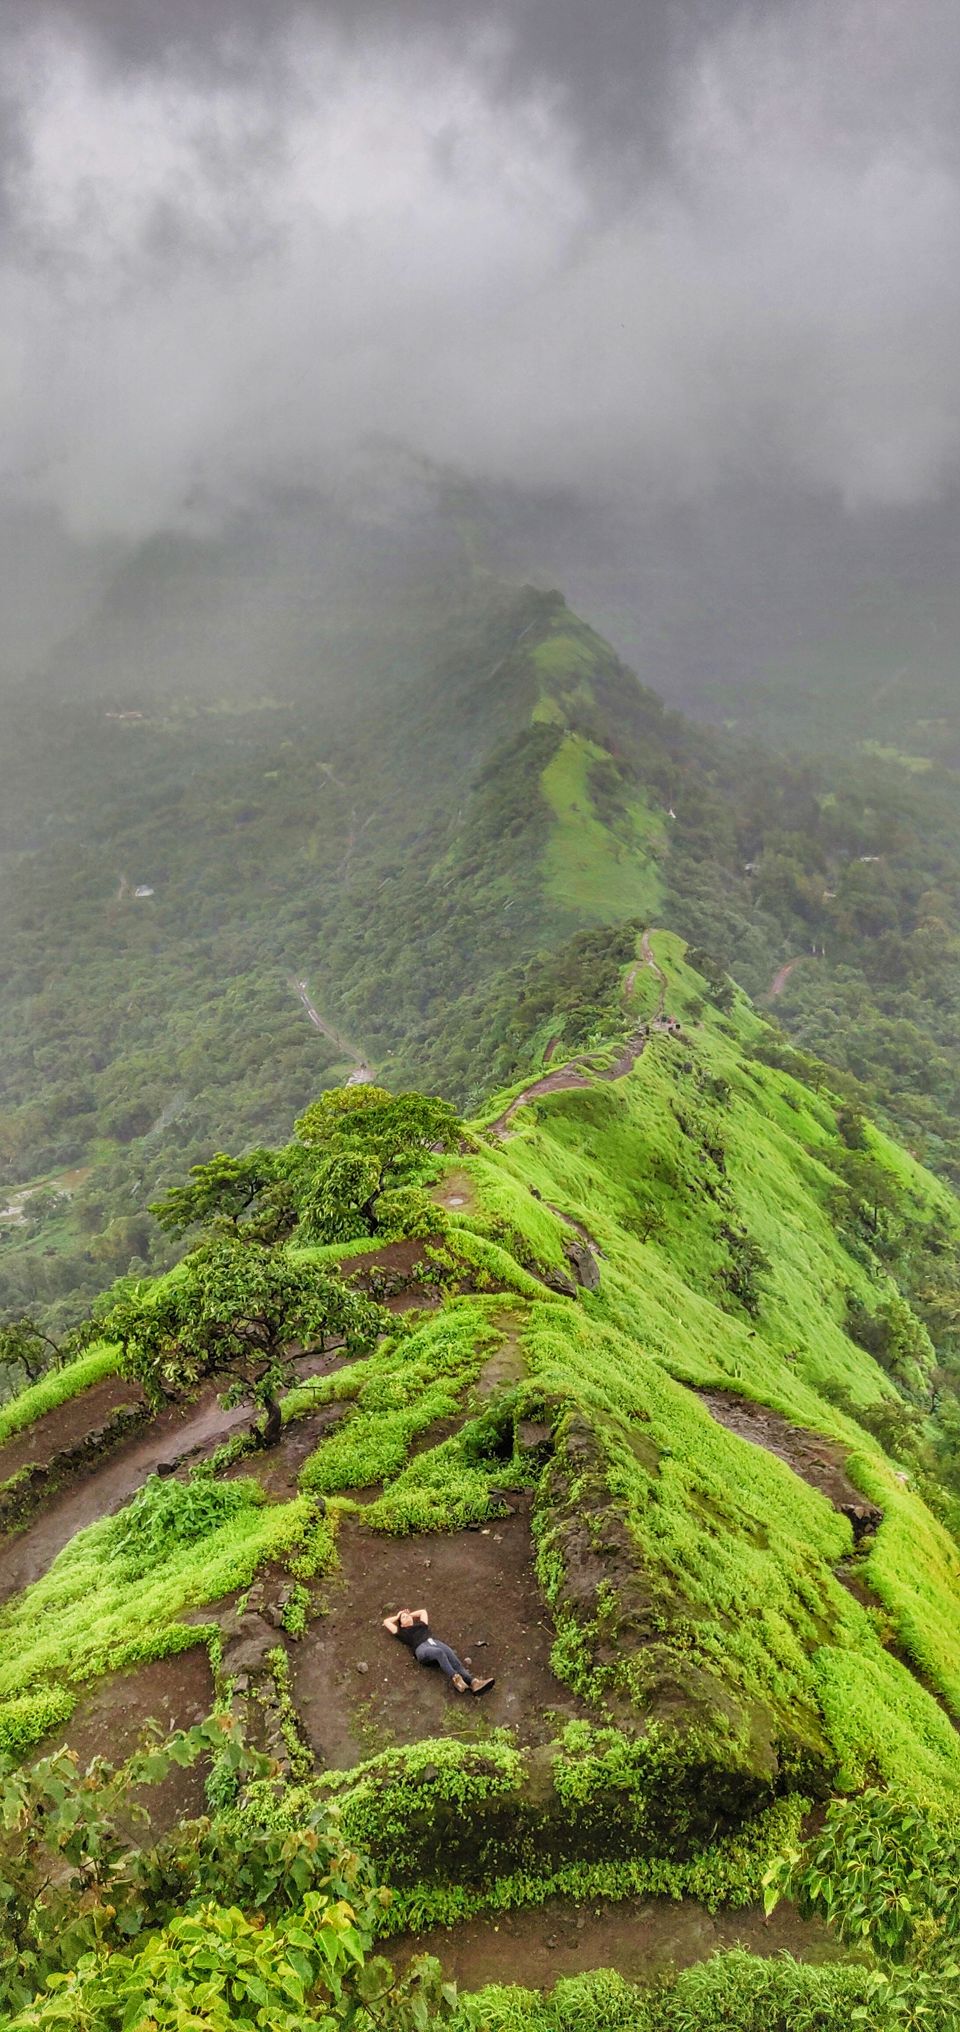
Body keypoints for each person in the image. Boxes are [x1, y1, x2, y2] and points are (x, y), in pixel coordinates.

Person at [382, 1606, 495, 1695]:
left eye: (407, 1616)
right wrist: (398, 1616)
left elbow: (423, 1612)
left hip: (434, 1643)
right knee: (439, 1653)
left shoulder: (421, 1625)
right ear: (401, 1624)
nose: (406, 1617)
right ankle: (455, 1678)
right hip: (421, 1649)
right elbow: (387, 1622)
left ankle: (474, 1683)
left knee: (454, 1659)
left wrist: (408, 1614)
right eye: (404, 1618)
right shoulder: (402, 1632)